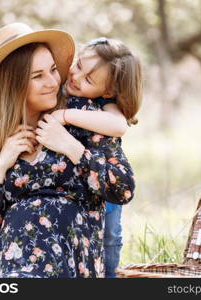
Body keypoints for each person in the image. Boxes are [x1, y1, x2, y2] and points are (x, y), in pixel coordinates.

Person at [0, 23, 134, 278]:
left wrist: (71, 148)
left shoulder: (82, 117)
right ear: (13, 86)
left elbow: (122, 189)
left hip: (64, 259)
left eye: (52, 70)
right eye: (38, 76)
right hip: (2, 261)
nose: (53, 81)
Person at [48, 37, 142, 277]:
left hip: (107, 188)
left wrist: (67, 115)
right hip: (75, 191)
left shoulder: (106, 105)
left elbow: (118, 126)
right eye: (79, 65)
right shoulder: (56, 85)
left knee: (110, 237)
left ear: (108, 90)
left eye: (88, 79)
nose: (76, 77)